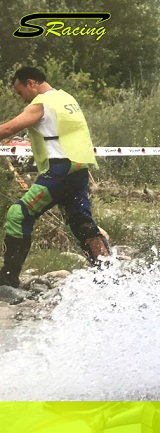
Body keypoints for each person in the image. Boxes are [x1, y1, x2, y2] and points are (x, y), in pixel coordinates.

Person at [0, 66, 109, 289]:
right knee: (80, 223)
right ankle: (107, 275)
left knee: (18, 215)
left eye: (21, 92)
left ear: (31, 83)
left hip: (59, 171)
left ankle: (7, 282)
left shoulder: (41, 103)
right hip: (79, 169)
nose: (22, 99)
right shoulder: (66, 99)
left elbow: (8, 129)